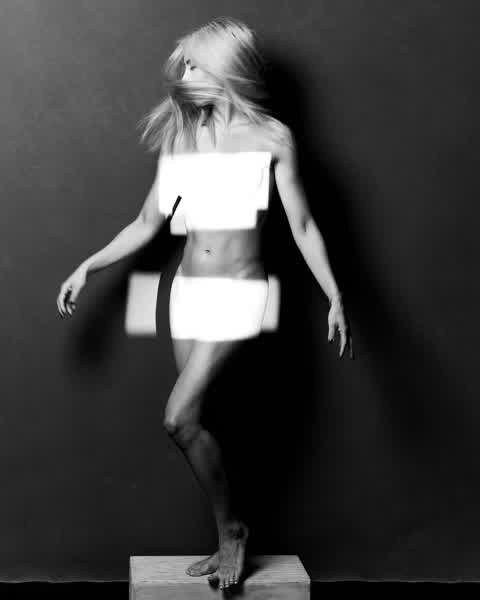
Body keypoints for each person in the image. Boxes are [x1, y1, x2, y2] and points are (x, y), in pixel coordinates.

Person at [56, 16, 353, 591]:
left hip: (241, 293)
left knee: (178, 416)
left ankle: (232, 531)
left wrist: (334, 293)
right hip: (186, 293)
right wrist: (89, 266)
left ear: (225, 70)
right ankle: (230, 530)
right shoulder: (181, 138)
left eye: (195, 64)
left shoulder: (272, 138)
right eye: (185, 64)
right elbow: (147, 223)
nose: (184, 73)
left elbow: (303, 225)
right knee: (200, 422)